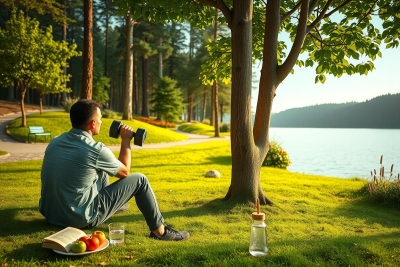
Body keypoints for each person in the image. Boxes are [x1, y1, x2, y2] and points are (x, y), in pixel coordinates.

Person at [39, 99, 189, 241]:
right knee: (140, 180)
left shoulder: (55, 142)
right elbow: (124, 172)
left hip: (51, 214)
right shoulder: (95, 150)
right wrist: (126, 140)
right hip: (79, 219)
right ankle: (160, 232)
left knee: (102, 168)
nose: (102, 121)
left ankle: (114, 207)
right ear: (92, 124)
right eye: (100, 118)